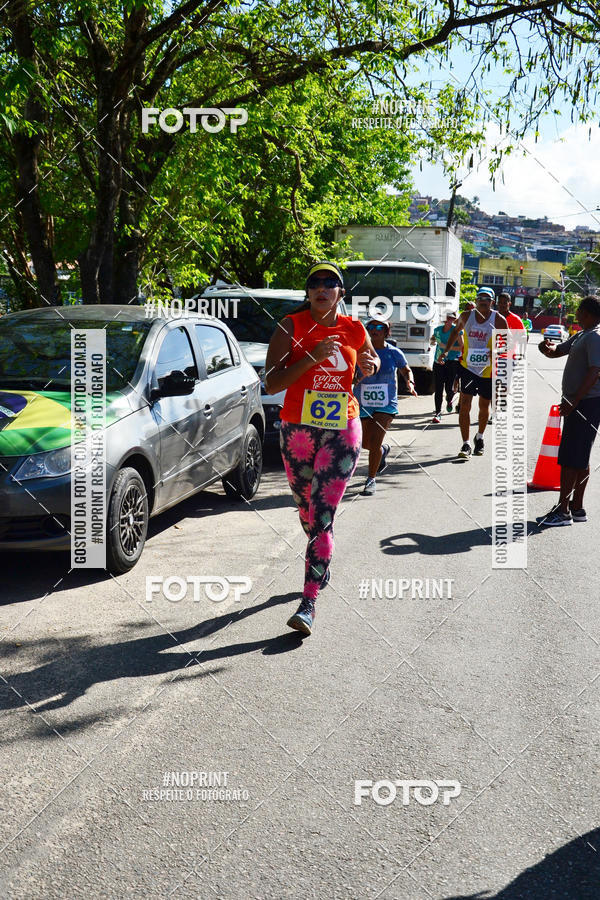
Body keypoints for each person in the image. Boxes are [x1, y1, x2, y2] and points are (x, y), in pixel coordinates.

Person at [264, 261, 380, 635]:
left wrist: (372, 362)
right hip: (298, 429)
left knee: (322, 516)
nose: (322, 287)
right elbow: (271, 383)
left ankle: (308, 601)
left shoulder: (354, 328)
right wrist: (312, 356)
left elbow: (370, 357)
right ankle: (322, 558)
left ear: (340, 292)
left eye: (330, 283)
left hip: (342, 428)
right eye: (315, 282)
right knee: (306, 511)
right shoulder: (290, 326)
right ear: (308, 292)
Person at [536, 295, 600, 526]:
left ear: (589, 313)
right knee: (579, 456)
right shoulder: (582, 335)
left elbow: (595, 372)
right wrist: (546, 348)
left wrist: (574, 400)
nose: (576, 315)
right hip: (578, 402)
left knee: (571, 458)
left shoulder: (594, 337)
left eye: (579, 311)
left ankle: (563, 511)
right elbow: (557, 351)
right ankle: (577, 508)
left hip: (586, 404)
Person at [440, 286, 508, 458]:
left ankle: (480, 437)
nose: (483, 302)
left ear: (492, 302)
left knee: (484, 407)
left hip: (487, 371)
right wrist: (446, 351)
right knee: (465, 405)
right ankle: (465, 444)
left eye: (487, 299)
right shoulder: (466, 316)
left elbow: (506, 343)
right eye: (480, 299)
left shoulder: (498, 319)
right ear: (476, 301)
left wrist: (496, 352)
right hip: (468, 368)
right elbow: (455, 332)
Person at [355, 319, 418, 495]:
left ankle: (370, 479)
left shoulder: (394, 352)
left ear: (387, 332)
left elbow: (406, 370)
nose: (375, 330)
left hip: (386, 403)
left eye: (379, 327)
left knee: (374, 441)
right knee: (366, 443)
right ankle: (383, 451)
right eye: (371, 327)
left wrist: (410, 383)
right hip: (363, 402)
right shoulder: (359, 351)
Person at [430, 311, 463, 423]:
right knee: (438, 388)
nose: (449, 320)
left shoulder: (457, 331)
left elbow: (461, 347)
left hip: (452, 361)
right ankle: (438, 413)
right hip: (438, 361)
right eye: (447, 318)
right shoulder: (437, 330)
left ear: (454, 319)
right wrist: (433, 341)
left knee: (449, 387)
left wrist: (447, 348)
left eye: (451, 318)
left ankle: (450, 399)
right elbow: (434, 339)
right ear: (444, 319)